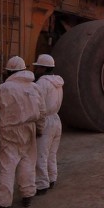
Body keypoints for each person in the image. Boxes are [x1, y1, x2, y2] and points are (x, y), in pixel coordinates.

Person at [0, 56, 46, 208]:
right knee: (27, 161)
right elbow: (42, 112)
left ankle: (3, 203)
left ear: (9, 71)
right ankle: (28, 194)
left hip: (9, 130)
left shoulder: (2, 89)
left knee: (8, 165)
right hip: (29, 128)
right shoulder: (34, 87)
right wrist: (39, 129)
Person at [32, 54, 64, 195]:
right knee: (51, 154)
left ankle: (41, 185)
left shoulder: (41, 84)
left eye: (38, 67)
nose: (36, 69)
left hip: (45, 121)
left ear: (44, 68)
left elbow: (37, 106)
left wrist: (37, 126)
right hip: (56, 120)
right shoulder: (58, 82)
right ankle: (52, 178)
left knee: (40, 155)